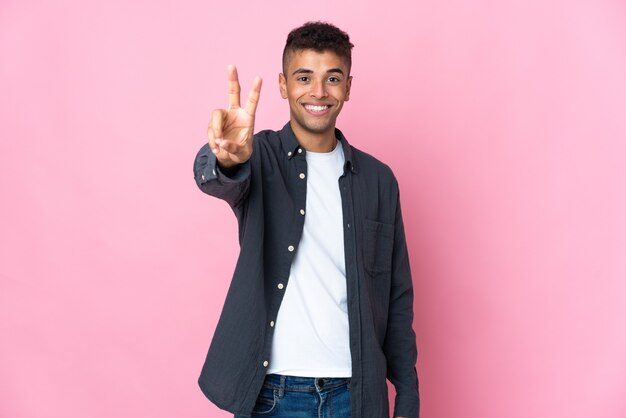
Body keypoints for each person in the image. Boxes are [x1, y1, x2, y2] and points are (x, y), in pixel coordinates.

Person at [193, 22, 419, 418]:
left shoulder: (379, 180)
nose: (318, 92)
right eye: (304, 77)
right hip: (272, 395)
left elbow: (397, 297)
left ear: (348, 86)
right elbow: (218, 176)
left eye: (332, 78)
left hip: (356, 394)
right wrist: (226, 158)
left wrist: (408, 397)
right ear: (283, 85)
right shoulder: (258, 156)